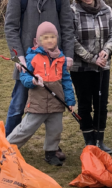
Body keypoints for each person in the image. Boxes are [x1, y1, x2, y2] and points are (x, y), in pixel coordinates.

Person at [4, 0, 74, 137]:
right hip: (27, 61)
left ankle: (52, 147)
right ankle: (7, 144)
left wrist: (68, 55)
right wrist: (18, 57)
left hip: (53, 62)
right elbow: (10, 26)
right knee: (18, 105)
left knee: (54, 107)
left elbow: (67, 26)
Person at [7, 22, 76, 166]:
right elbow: (24, 78)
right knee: (26, 128)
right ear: (38, 40)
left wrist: (70, 101)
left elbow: (66, 80)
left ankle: (51, 153)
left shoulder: (61, 58)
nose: (50, 40)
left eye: (52, 37)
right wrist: (32, 80)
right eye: (45, 38)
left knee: (55, 130)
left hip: (57, 102)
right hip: (38, 103)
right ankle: (7, 148)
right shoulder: (32, 57)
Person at [69, 0, 112, 152]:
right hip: (80, 67)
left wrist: (106, 51)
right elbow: (71, 39)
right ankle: (89, 140)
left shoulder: (106, 9)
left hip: (102, 66)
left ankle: (100, 139)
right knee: (84, 104)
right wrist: (91, 57)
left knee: (101, 104)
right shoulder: (72, 11)